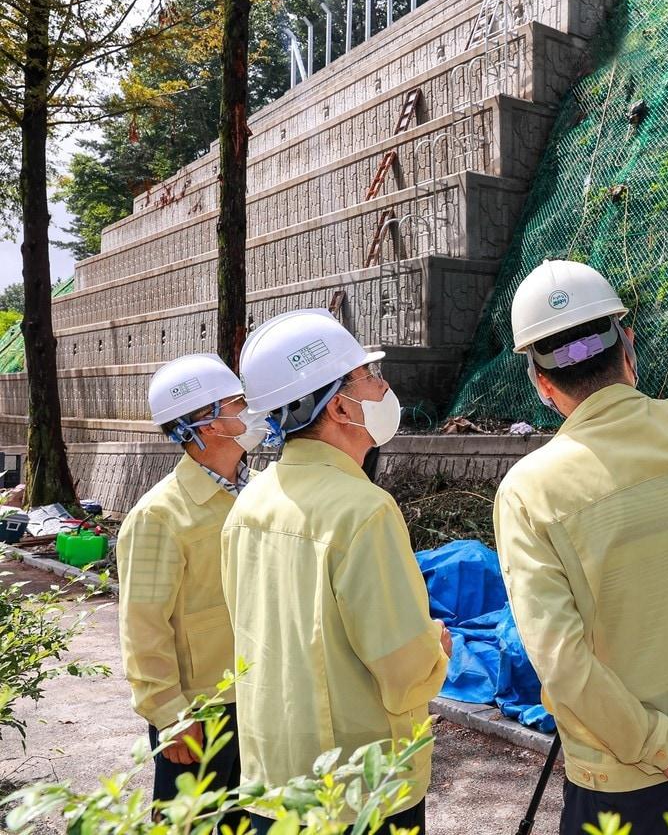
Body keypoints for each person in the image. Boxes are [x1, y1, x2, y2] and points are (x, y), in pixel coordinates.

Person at [494, 260, 668, 835]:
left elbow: (564, 667)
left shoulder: (529, 492)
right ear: (629, 347)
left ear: (542, 385)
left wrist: (666, 747)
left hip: (626, 785)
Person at [223, 309, 451, 833]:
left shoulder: (250, 501)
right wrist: (434, 650)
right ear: (340, 407)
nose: (383, 385)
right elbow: (401, 669)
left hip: (273, 784)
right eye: (368, 376)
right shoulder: (363, 511)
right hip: (360, 790)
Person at [117, 353, 268, 820]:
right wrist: (170, 714)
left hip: (262, 693)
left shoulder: (264, 491)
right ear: (204, 423)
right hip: (201, 710)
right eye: (237, 402)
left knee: (254, 820)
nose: (251, 410)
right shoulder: (158, 515)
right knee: (191, 824)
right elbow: (142, 626)